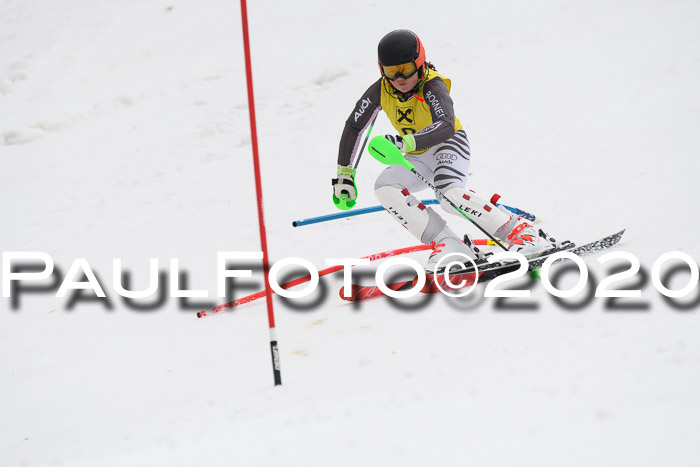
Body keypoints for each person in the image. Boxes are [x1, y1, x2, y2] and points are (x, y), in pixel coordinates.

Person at [332, 29, 553, 271]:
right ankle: (451, 246)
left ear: (419, 63)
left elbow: (446, 124)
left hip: (449, 143)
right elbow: (355, 126)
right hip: (417, 155)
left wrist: (405, 143)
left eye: (405, 68)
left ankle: (523, 233)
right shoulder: (380, 90)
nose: (398, 78)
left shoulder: (432, 85)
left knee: (448, 195)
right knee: (385, 187)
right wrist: (344, 174)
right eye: (390, 71)